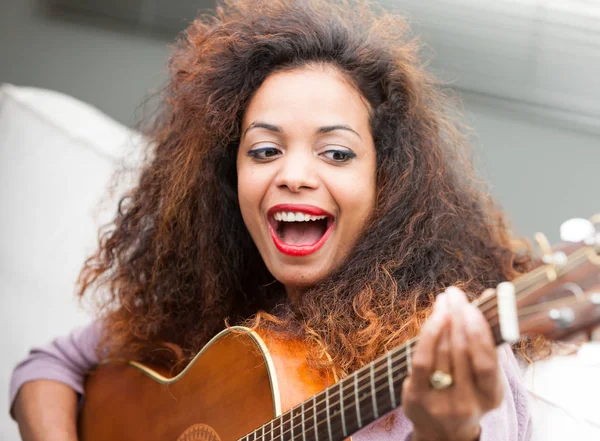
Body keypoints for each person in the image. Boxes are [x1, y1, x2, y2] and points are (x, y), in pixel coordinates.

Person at [9, 1, 534, 440]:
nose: (295, 175)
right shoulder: (202, 303)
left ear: (388, 181)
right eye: (264, 150)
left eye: (336, 153)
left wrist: (451, 432)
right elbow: (46, 368)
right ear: (227, 175)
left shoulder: (451, 347)